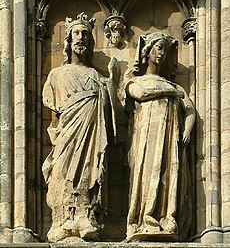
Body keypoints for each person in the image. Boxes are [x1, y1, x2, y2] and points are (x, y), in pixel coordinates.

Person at [42, 12, 117, 242]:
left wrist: (112, 81)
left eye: (85, 34)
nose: (81, 38)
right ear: (68, 39)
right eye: (76, 33)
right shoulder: (56, 75)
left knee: (89, 171)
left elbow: (107, 110)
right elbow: (55, 112)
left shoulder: (96, 76)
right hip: (67, 135)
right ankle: (62, 219)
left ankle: (86, 216)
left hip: (91, 135)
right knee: (62, 174)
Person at [125, 32, 195, 242]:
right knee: (146, 174)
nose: (162, 53)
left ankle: (167, 217)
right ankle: (143, 219)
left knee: (169, 172)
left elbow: (189, 108)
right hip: (146, 137)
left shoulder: (176, 87)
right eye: (159, 47)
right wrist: (172, 92)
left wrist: (187, 131)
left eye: (165, 48)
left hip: (170, 137)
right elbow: (141, 94)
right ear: (147, 51)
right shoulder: (136, 82)